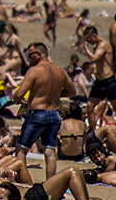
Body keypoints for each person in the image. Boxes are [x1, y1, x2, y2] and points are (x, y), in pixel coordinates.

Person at [12, 41, 75, 177]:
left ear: (38, 54)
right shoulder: (59, 69)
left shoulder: (34, 70)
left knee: (21, 150)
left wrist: (16, 98)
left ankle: (23, 181)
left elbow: (19, 94)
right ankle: (50, 185)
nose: (28, 58)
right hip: (54, 114)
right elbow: (72, 91)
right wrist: (55, 95)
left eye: (30, 55)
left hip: (37, 114)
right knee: (50, 151)